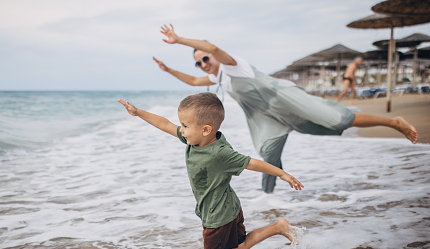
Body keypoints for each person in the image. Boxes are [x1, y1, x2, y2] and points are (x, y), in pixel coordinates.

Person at [153, 24, 418, 193]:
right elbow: (191, 80)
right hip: (265, 116)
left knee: (336, 119)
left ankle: (394, 122)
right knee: (268, 151)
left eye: (204, 59)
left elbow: (211, 47)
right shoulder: (216, 78)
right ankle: (269, 201)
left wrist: (179, 40)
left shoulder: (234, 65)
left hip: (284, 100)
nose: (203, 65)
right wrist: (168, 69)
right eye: (198, 63)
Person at [118, 92, 304, 249]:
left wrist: (283, 174)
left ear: (206, 129)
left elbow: (251, 163)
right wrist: (137, 113)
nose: (182, 129)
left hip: (218, 215)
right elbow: (165, 124)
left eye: (186, 126)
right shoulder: (198, 140)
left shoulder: (220, 153)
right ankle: (278, 227)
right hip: (229, 206)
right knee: (240, 246)